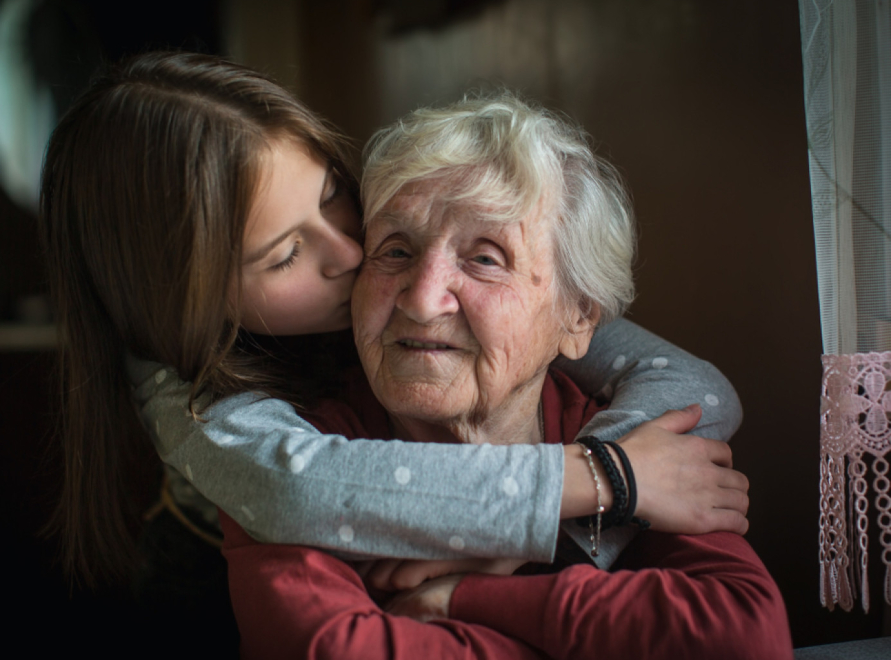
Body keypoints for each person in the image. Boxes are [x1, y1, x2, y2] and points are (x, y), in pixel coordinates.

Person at [40, 51, 746, 592]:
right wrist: (604, 478)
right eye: (286, 253)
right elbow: (300, 489)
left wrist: (567, 535)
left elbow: (695, 389)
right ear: (186, 302)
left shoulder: (424, 289)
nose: (352, 252)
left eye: (332, 197)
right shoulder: (192, 399)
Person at [218, 91, 791, 659]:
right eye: (394, 250)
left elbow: (744, 636)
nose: (421, 300)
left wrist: (463, 598)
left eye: (485, 258)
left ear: (578, 317)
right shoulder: (301, 458)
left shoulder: (632, 442)